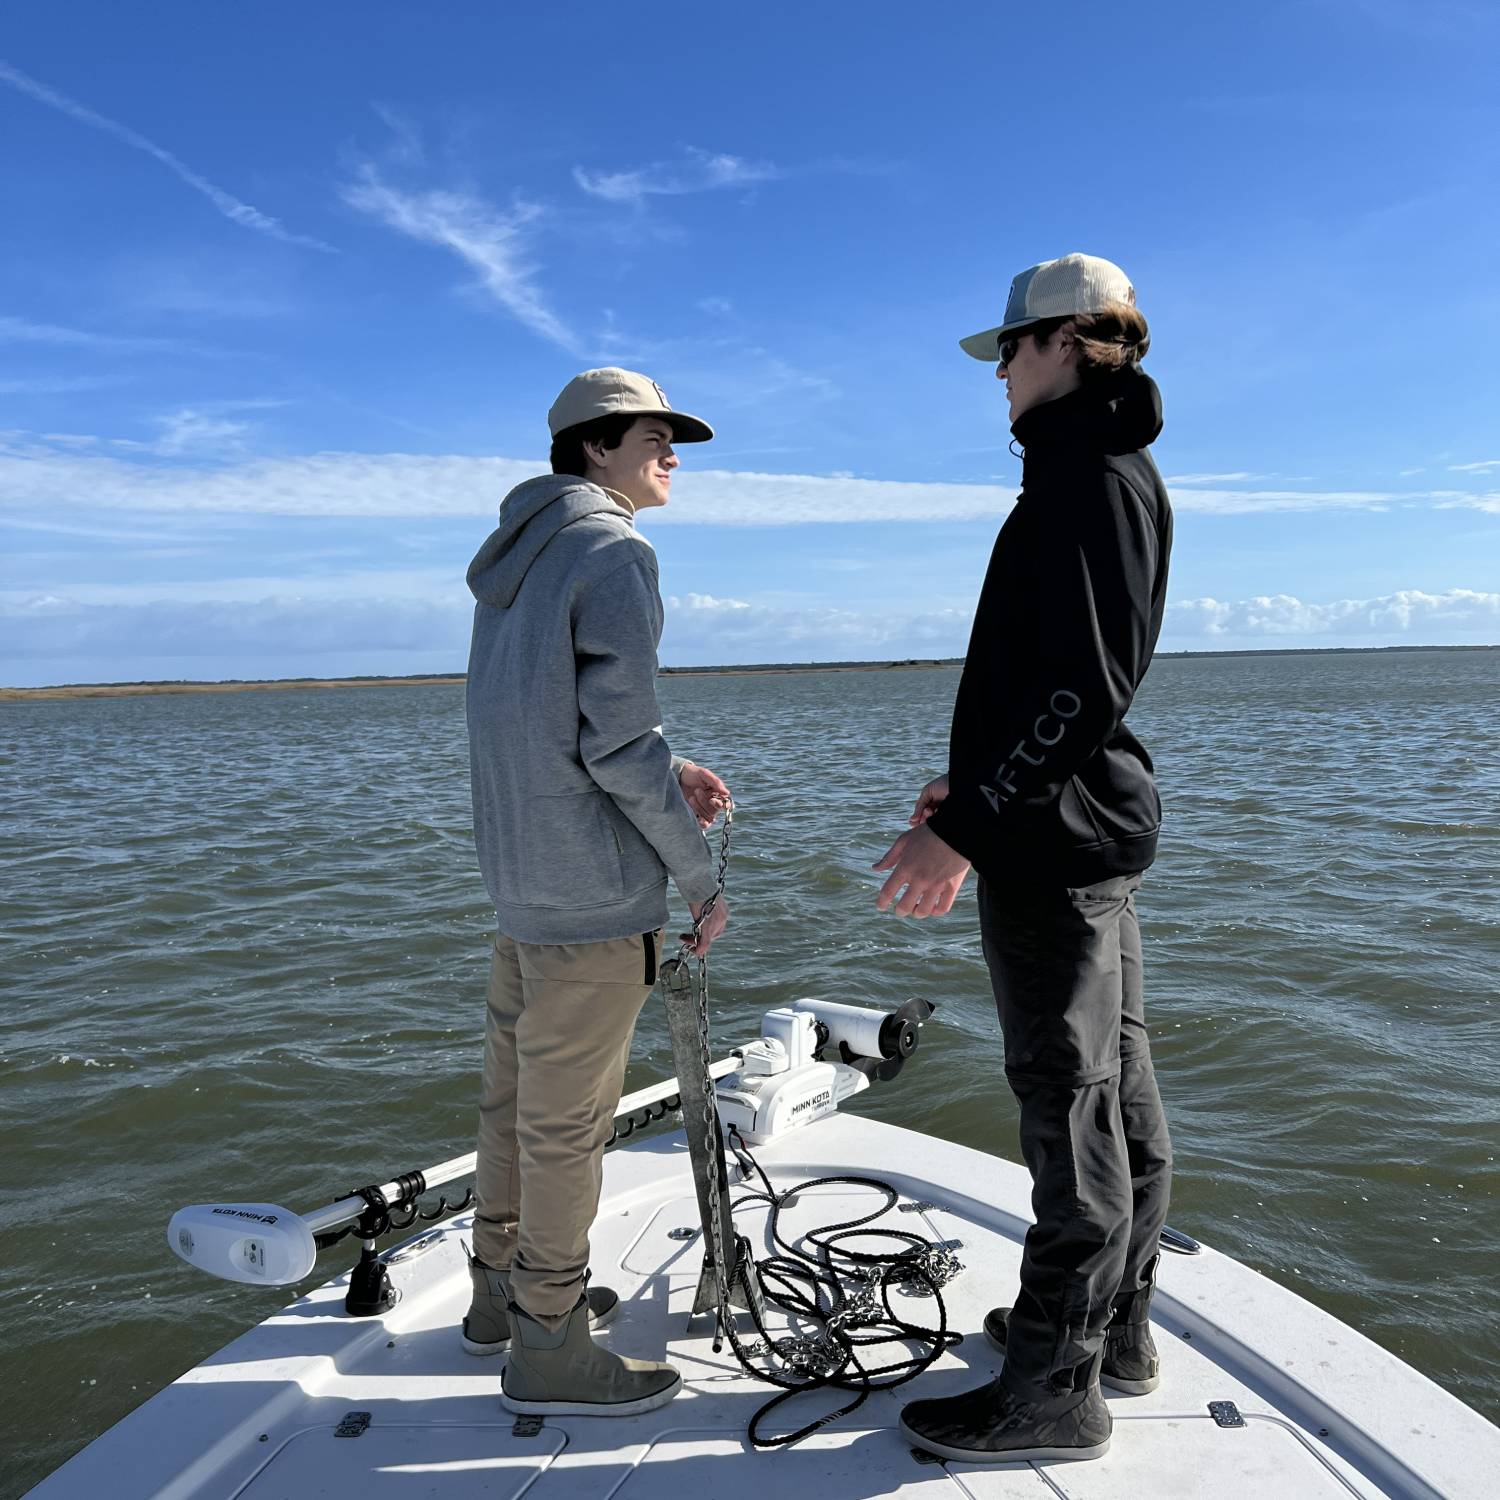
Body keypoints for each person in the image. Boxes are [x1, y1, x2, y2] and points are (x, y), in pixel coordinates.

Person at [874, 254, 1174, 1465]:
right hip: (1077, 829)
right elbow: (1061, 692)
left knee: (1071, 1107)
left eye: (1007, 347)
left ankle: (1055, 1383)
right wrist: (981, 785)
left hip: (1053, 854)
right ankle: (1115, 1334)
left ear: (1063, 343)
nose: (996, 371)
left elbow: (1081, 686)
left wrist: (964, 826)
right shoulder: (1090, 471)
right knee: (1119, 1093)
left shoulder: (1088, 480)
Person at [463, 366, 732, 1418]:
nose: (672, 454)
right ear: (592, 448)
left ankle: (499, 1296)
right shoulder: (615, 548)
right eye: (653, 436)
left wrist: (670, 768)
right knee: (566, 1131)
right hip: (593, 902)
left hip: (522, 888)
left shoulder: (515, 561)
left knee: (513, 1109)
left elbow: (552, 727)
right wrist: (698, 875)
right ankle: (548, 1344)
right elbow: (620, 746)